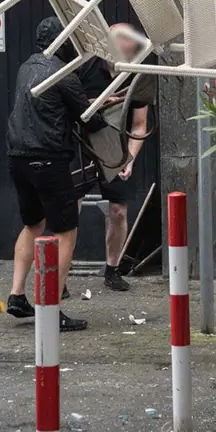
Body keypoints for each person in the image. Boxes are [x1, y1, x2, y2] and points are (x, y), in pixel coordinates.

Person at [4, 17, 106, 331]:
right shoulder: (64, 73)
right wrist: (102, 107)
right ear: (63, 42)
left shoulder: (27, 67)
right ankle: (52, 307)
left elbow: (49, 103)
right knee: (65, 231)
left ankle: (17, 296)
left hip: (18, 157)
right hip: (48, 159)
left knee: (32, 223)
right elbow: (91, 121)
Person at [76, 24, 151, 293]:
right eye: (113, 38)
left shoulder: (137, 77)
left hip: (115, 149)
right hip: (81, 146)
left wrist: (129, 158)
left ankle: (112, 269)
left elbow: (140, 124)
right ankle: (59, 272)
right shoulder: (85, 68)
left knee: (118, 211)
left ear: (133, 46)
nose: (118, 44)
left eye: (125, 40)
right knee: (72, 206)